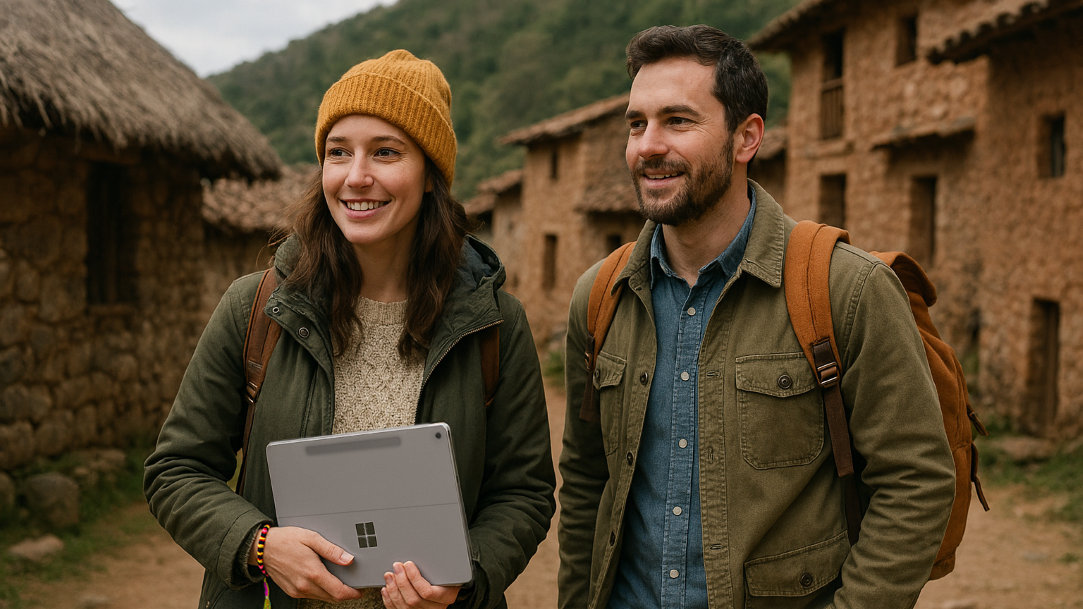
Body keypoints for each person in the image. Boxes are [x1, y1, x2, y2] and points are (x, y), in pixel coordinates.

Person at [558, 25, 956, 609]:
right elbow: (588, 484)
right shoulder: (599, 297)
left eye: (678, 121)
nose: (647, 145)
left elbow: (916, 482)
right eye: (636, 123)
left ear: (747, 138)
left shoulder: (846, 290)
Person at [145, 50, 556, 609]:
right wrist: (260, 545)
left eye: (386, 153)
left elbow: (523, 493)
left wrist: (467, 576)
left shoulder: (495, 324)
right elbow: (176, 469)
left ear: (431, 175)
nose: (357, 176)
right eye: (339, 153)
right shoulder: (256, 307)